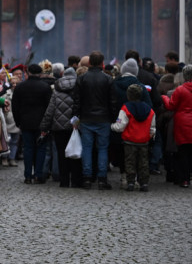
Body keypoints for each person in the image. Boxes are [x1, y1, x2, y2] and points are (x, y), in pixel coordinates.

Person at [73, 51, 114, 189]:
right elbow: (112, 101)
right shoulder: (108, 79)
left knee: (87, 148)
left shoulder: (82, 79)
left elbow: (77, 101)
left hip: (86, 118)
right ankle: (102, 179)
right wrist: (113, 117)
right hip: (103, 118)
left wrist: (76, 117)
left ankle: (87, 179)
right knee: (103, 148)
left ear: (89, 62)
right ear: (102, 63)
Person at [40, 67, 82, 188]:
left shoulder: (57, 90)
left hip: (59, 127)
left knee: (61, 154)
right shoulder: (79, 88)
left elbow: (50, 111)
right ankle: (76, 181)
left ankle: (64, 181)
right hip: (76, 126)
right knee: (76, 153)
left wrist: (44, 127)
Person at [110, 83, 156, 192]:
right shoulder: (149, 109)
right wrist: (149, 136)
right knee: (143, 163)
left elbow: (120, 126)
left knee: (130, 162)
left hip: (129, 140)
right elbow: (152, 127)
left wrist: (111, 126)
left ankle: (130, 182)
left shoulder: (126, 108)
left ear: (128, 95)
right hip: (144, 141)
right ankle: (144, 183)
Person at [12, 63, 53, 184]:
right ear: (40, 73)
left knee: (28, 149)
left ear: (28, 72)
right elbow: (49, 107)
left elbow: (15, 106)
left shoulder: (20, 87)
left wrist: (18, 121)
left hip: (25, 123)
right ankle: (38, 175)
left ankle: (28, 175)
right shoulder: (45, 87)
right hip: (42, 123)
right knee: (41, 149)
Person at [161, 65, 192, 188]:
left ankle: (184, 179)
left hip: (182, 123)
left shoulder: (180, 90)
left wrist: (164, 97)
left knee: (183, 152)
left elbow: (171, 106)